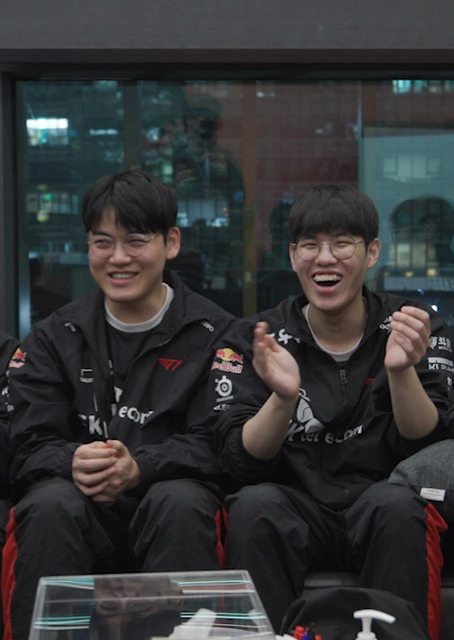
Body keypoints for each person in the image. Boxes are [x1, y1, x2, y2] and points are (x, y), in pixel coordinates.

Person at [207, 185, 453, 640]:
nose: (325, 258)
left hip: (380, 498)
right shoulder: (258, 337)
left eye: (342, 243)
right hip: (294, 503)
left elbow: (429, 446)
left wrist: (401, 372)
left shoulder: (411, 325)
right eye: (310, 245)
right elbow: (239, 460)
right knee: (254, 505)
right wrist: (283, 398)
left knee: (401, 506)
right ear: (292, 255)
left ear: (372, 252)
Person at [2, 168, 235, 640]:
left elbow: (222, 444)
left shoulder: (217, 335)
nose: (118, 258)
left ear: (171, 242)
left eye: (135, 241)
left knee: (181, 499)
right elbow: (26, 445)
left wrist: (141, 467)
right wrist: (73, 460)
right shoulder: (54, 337)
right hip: (80, 512)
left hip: (170, 510)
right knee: (48, 503)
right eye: (102, 242)